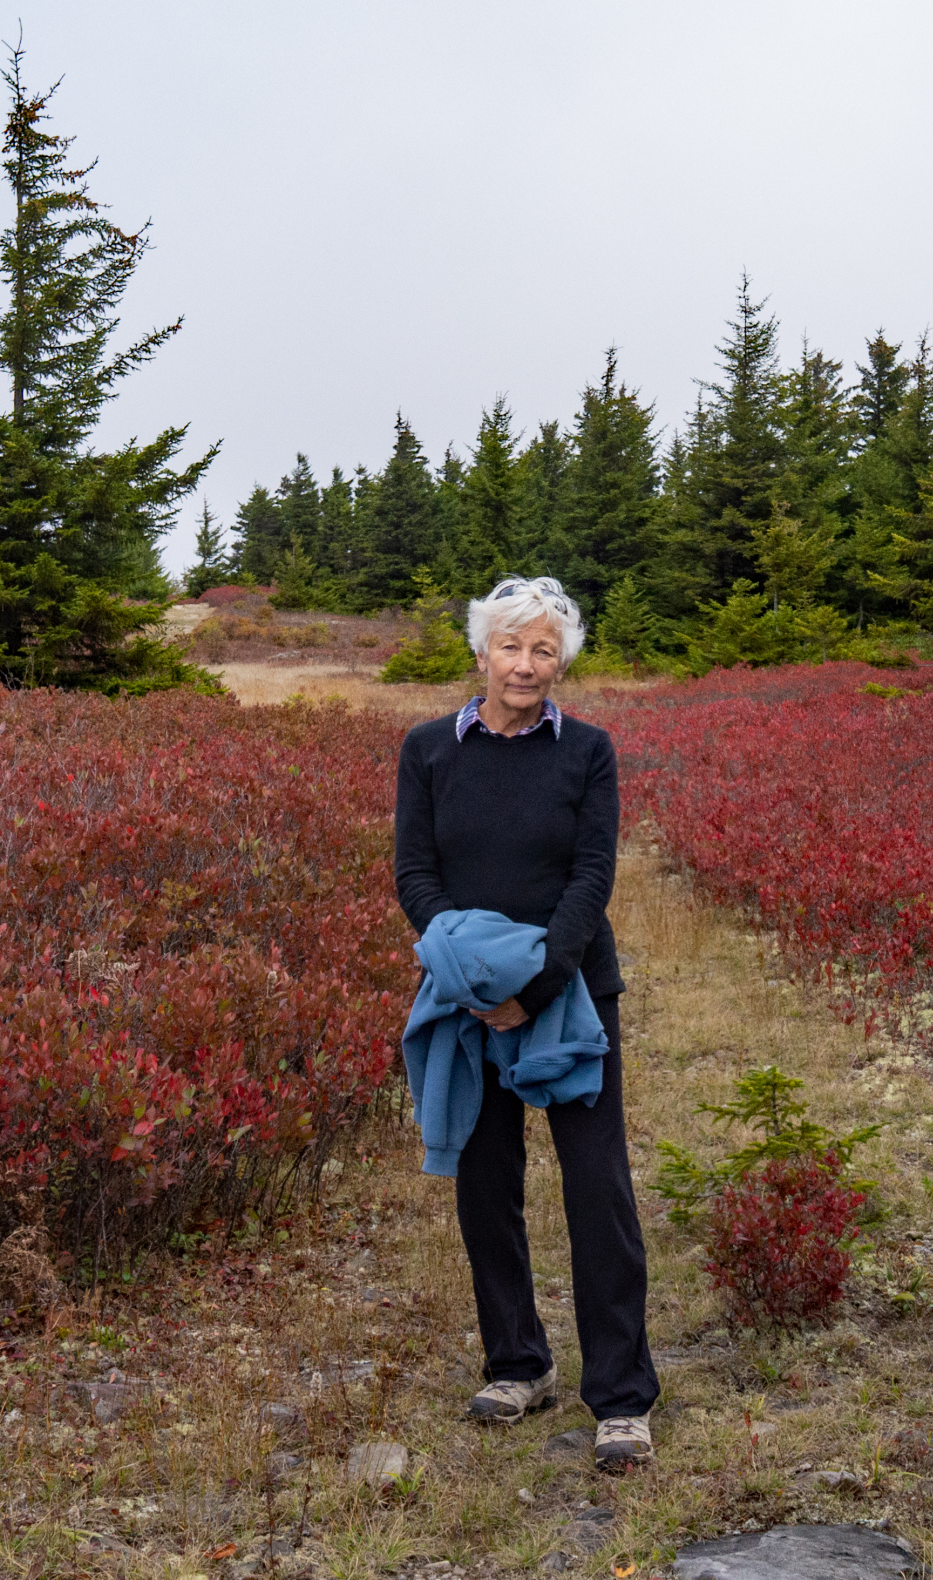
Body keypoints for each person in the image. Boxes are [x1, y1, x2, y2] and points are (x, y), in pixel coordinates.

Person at [392, 575, 658, 1471]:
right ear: (481, 653)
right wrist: (471, 981)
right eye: (512, 646)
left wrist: (535, 988)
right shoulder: (428, 750)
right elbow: (415, 878)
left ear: (561, 663)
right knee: (485, 1183)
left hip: (573, 996)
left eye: (545, 650)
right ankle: (517, 1364)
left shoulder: (587, 751)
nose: (527, 664)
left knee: (598, 1191)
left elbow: (592, 880)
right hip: (467, 1004)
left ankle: (621, 1398)